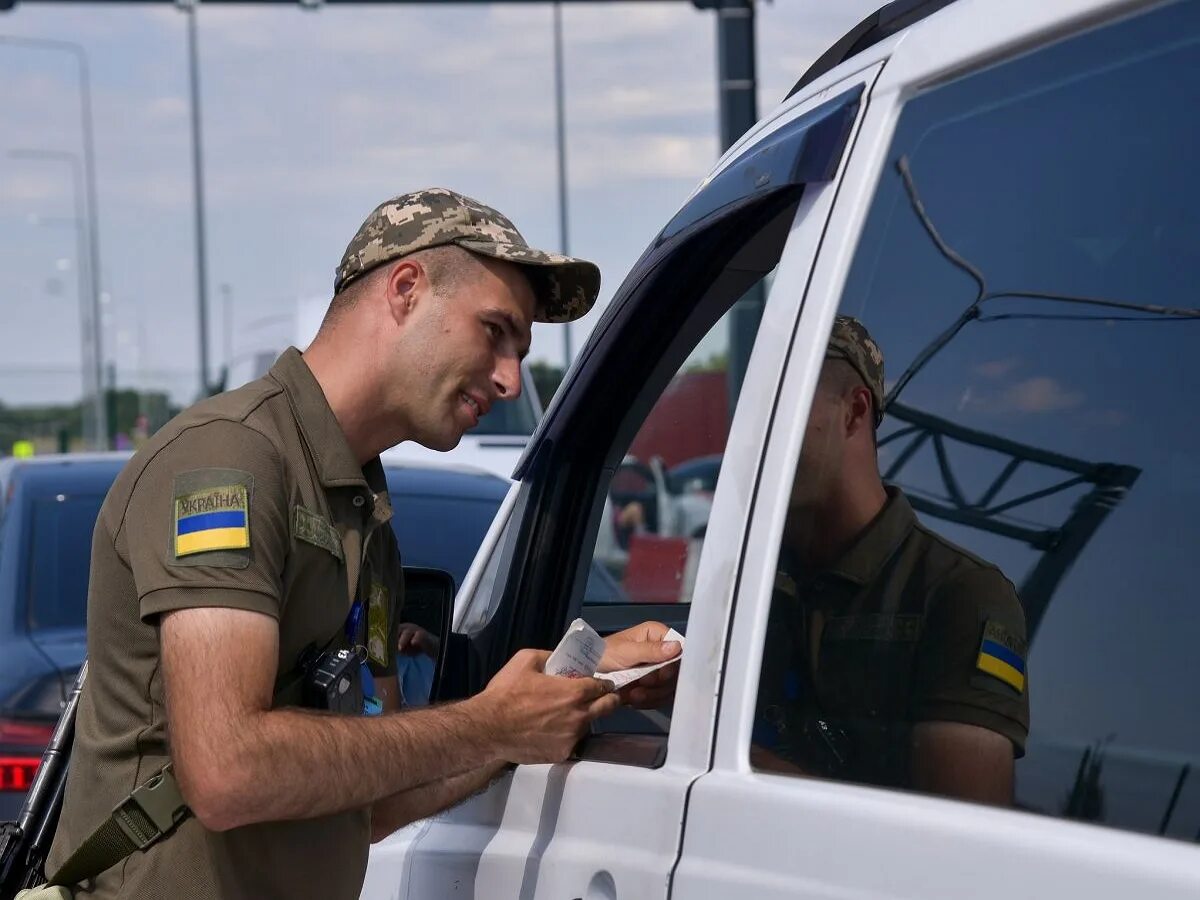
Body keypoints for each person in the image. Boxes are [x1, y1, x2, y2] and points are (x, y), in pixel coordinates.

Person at [47, 188, 680, 899]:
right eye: (495, 331)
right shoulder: (229, 461)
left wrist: (562, 698)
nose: (509, 379)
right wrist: (486, 722)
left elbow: (372, 797)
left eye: (521, 352)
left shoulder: (361, 515)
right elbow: (226, 770)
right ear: (406, 289)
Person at [753, 316, 1029, 805]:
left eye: (779, 407)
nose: (757, 435)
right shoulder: (753, 584)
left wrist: (739, 767)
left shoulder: (958, 594)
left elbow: (961, 844)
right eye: (752, 412)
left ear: (854, 413)